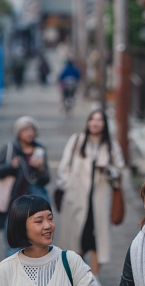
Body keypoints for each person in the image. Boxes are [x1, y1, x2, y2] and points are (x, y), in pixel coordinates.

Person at [54, 106, 125, 275]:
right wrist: (67, 184)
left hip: (100, 199)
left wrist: (108, 171)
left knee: (97, 240)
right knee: (76, 238)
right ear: (88, 122)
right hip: (77, 196)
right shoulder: (77, 140)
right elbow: (64, 166)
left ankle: (94, 276)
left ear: (105, 124)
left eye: (100, 120)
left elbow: (119, 170)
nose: (95, 123)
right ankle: (76, 274)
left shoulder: (111, 146)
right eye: (93, 119)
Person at [0, 115, 50, 243]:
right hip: (13, 203)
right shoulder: (9, 149)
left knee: (36, 242)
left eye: (31, 129)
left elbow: (46, 179)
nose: (29, 133)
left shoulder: (40, 150)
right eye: (25, 130)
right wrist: (10, 166)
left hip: (35, 204)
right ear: (18, 132)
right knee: (14, 242)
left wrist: (40, 168)